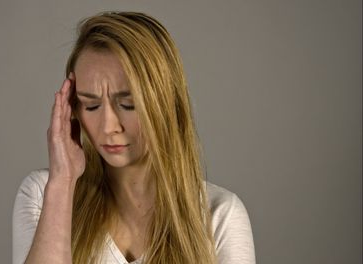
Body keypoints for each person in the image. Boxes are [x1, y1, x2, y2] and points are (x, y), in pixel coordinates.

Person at [13, 11, 255, 264]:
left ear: (166, 103)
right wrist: (62, 183)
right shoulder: (44, 194)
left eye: (128, 105)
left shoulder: (220, 215)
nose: (108, 127)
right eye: (91, 106)